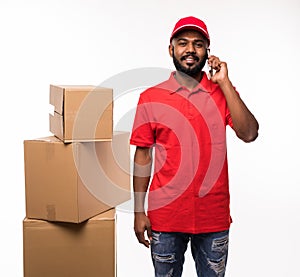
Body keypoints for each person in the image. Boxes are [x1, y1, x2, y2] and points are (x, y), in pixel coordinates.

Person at [130, 16, 259, 277]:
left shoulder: (222, 92)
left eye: (198, 44)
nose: (190, 49)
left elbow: (249, 133)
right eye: (183, 43)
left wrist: (224, 82)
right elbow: (143, 155)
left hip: (213, 218)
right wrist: (138, 211)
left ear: (207, 51)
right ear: (171, 49)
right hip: (165, 217)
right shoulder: (151, 97)